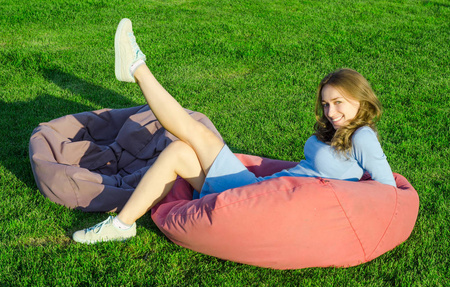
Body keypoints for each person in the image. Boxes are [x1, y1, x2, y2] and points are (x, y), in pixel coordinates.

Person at [72, 18, 396, 244]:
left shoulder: (362, 136)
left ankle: (138, 68)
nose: (330, 111)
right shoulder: (340, 133)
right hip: (258, 191)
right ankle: (121, 225)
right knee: (179, 150)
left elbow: (386, 189)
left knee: (197, 132)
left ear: (359, 99)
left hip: (262, 204)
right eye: (326, 104)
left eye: (338, 103)